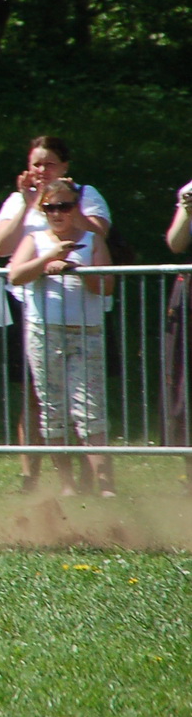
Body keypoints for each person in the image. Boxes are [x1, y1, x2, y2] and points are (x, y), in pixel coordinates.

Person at [0, 136, 110, 491]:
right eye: (52, 208)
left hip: (86, 329)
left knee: (90, 411)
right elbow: (7, 260)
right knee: (50, 409)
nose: (58, 212)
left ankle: (104, 483)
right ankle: (65, 484)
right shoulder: (33, 227)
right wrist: (47, 258)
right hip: (41, 327)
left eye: (65, 206)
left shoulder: (89, 222)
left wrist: (76, 267)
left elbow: (106, 280)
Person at [164, 179, 191, 490]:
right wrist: (187, 209)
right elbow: (175, 242)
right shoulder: (189, 190)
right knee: (185, 390)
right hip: (189, 300)